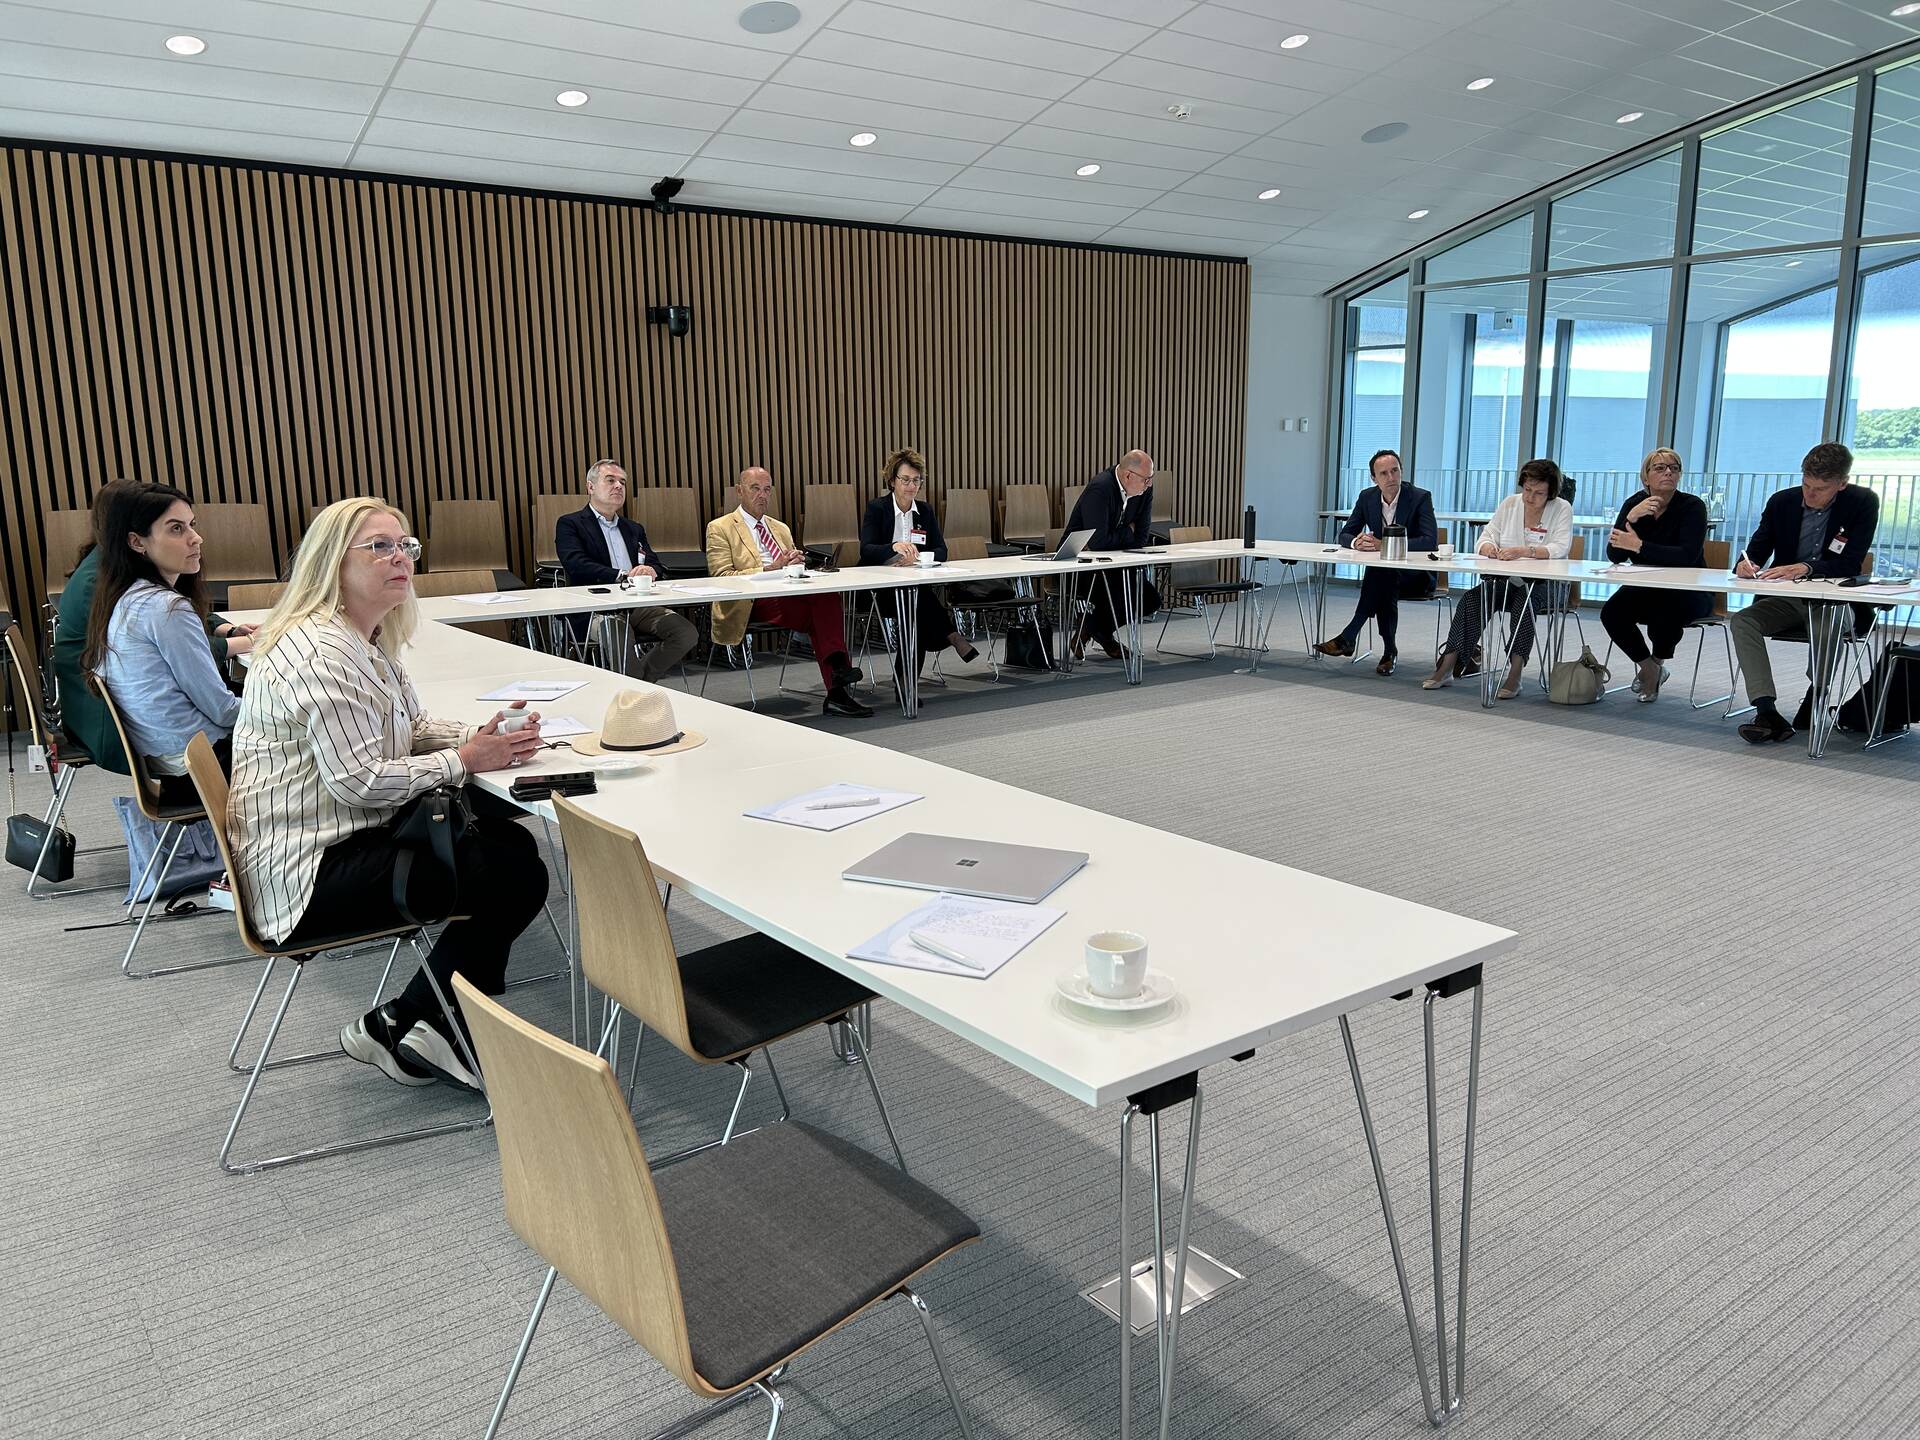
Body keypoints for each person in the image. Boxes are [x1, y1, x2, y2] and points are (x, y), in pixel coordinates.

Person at [228, 498, 551, 1091]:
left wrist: (479, 738)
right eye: (380, 546)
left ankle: (410, 1019)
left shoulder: (361, 638)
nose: (400, 557)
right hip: (307, 873)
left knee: (505, 838)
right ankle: (432, 1023)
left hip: (339, 838)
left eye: (405, 546)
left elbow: (403, 728)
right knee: (515, 871)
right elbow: (360, 781)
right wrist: (464, 760)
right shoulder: (322, 654)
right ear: (332, 563)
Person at [53, 479, 253, 773]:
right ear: (136, 542)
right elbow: (222, 711)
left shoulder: (124, 593)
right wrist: (284, 708)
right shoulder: (166, 608)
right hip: (198, 764)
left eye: (192, 525)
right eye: (177, 528)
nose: (196, 538)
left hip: (162, 753)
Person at [1730, 442, 1878, 745]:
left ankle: (1817, 694)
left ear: (1842, 484)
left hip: (1835, 602)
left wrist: (1805, 567)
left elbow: (1850, 561)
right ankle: (1766, 711)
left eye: (1820, 489)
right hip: (1786, 599)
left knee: (1828, 625)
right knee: (1743, 621)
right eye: (1806, 485)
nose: (1810, 495)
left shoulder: (1862, 502)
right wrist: (1745, 564)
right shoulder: (1781, 502)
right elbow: (1756, 550)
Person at [706, 467, 873, 717]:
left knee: (826, 595)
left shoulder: (780, 527)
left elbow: (791, 566)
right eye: (755, 489)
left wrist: (796, 563)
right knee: (822, 610)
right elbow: (721, 578)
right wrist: (769, 568)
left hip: (790, 593)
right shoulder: (720, 527)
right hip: (750, 600)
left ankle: (837, 688)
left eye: (767, 490)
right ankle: (838, 680)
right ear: (739, 491)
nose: (762, 495)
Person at [1424, 458, 1572, 700]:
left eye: (1538, 492)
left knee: (1524, 601)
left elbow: (1560, 547)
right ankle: (1447, 666)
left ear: (1550, 493)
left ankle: (1515, 674)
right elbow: (1484, 538)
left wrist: (1523, 551)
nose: (1530, 497)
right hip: (1508, 580)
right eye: (1527, 489)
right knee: (1473, 598)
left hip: (1547, 585)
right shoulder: (1510, 504)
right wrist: (1490, 548)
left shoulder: (1561, 508)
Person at [554, 457, 698, 682]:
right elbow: (575, 564)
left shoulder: (633, 528)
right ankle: (638, 694)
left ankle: (639, 685)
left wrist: (650, 571)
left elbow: (655, 563)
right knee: (618, 634)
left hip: (637, 605)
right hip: (594, 610)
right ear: (590, 487)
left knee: (685, 632)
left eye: (622, 482)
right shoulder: (571, 524)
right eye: (610, 480)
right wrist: (622, 575)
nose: (618, 486)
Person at [1599, 448, 1710, 704]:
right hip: (1645, 586)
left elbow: (1686, 556)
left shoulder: (1692, 506)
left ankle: (1656, 664)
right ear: (1646, 477)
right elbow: (1614, 554)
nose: (1668, 472)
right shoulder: (1634, 504)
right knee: (1612, 613)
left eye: (1674, 467)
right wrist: (1631, 517)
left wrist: (1639, 546)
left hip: (1688, 588)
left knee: (1665, 613)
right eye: (1660, 468)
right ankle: (1650, 668)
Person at [1314, 449, 1436, 676]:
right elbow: (1345, 534)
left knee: (1380, 576)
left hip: (1417, 576)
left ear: (1401, 471)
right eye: (1384, 473)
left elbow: (1430, 542)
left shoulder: (1420, 497)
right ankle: (1389, 652)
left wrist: (1385, 545)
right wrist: (1356, 543)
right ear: (1374, 478)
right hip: (1385, 576)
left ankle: (1349, 636)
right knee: (1383, 577)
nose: (1391, 478)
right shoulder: (1367, 497)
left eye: (1395, 471)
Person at [858, 448, 977, 679]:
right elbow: (866, 550)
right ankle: (951, 635)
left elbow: (941, 550)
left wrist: (919, 558)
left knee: (917, 611)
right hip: (879, 589)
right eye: (905, 480)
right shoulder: (877, 508)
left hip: (914, 585)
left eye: (916, 481)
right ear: (892, 481)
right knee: (920, 604)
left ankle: (906, 684)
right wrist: (893, 547)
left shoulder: (924, 511)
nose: (911, 486)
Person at [1064, 449, 1161, 660]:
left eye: (1151, 479)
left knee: (1150, 599)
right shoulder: (1100, 489)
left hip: (1117, 562)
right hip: (1080, 566)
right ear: (1128, 476)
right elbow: (1097, 542)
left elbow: (1142, 536)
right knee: (1121, 594)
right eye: (1146, 480)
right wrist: (1128, 531)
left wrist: (1120, 536)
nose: (1149, 484)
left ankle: (1090, 627)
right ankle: (1104, 636)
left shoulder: (1143, 490)